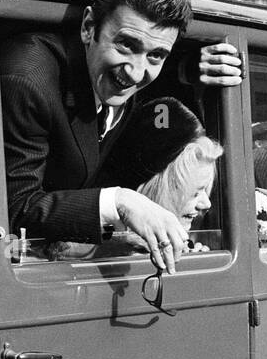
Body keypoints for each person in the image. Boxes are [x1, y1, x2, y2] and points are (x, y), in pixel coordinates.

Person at [1, 0, 241, 275]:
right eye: (126, 45)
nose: (136, 73)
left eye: (156, 55)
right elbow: (16, 208)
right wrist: (119, 202)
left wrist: (197, 68)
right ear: (89, 27)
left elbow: (160, 72)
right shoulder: (29, 81)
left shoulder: (124, 72)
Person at [46, 97, 222, 259]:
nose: (207, 204)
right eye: (195, 192)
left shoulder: (191, 241)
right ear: (159, 187)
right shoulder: (83, 245)